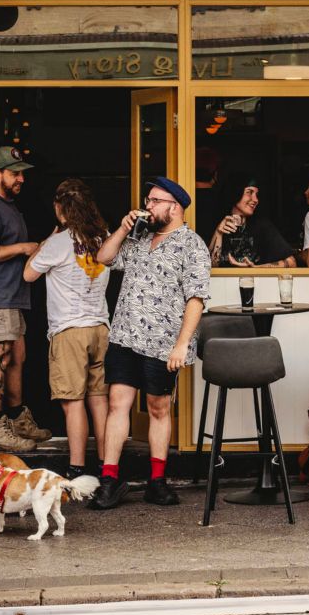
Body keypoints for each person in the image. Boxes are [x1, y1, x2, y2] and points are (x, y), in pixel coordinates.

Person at [89, 176, 211, 509]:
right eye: (148, 200)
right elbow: (104, 257)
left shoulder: (192, 244)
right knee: (118, 404)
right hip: (125, 336)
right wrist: (122, 228)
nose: (148, 206)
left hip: (162, 343)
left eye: (155, 201)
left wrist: (182, 345)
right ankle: (109, 480)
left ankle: (157, 481)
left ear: (175, 206)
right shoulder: (139, 237)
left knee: (158, 408)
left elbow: (196, 298)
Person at [23, 178, 111, 480]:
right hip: (100, 327)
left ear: (60, 209)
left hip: (69, 331)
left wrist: (46, 241)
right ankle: (105, 465)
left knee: (73, 404)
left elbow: (28, 275)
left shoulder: (59, 243)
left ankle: (76, 469)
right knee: (99, 401)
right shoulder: (103, 237)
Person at [0, 146, 51, 453]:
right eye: (15, 174)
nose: (21, 179)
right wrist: (24, 248)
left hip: (11, 296)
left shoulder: (6, 204)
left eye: (21, 173)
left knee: (17, 358)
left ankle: (17, 418)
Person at [206, 174, 296, 267]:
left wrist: (256, 268)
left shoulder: (262, 225)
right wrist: (218, 233)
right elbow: (209, 268)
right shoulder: (214, 221)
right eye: (249, 192)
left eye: (256, 194)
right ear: (235, 192)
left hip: (254, 281)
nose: (256, 199)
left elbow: (292, 262)